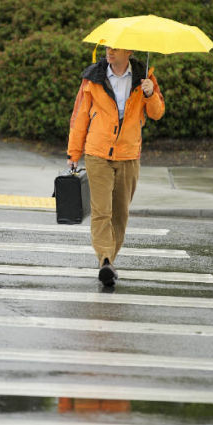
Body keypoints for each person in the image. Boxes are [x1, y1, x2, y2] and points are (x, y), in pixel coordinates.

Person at [67, 47, 165, 287]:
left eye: (115, 48)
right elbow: (80, 116)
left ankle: (109, 261)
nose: (109, 51)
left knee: (120, 214)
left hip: (129, 155)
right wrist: (74, 152)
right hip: (97, 152)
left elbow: (157, 113)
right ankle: (106, 261)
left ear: (128, 52)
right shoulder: (93, 77)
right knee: (101, 212)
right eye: (108, 47)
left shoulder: (145, 78)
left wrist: (150, 94)